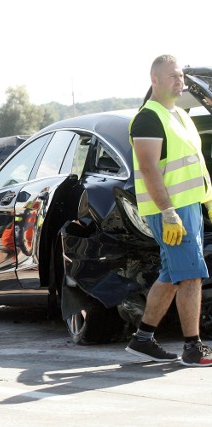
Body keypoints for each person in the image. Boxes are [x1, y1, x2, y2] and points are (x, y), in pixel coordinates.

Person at [126, 54, 212, 367]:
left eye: (181, 76)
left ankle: (143, 339)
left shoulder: (180, 115)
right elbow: (148, 169)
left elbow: (195, 166)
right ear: (155, 80)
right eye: (173, 76)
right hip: (171, 211)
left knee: (174, 274)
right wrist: (168, 212)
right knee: (191, 275)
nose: (180, 82)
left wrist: (207, 200)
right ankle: (193, 348)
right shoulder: (149, 117)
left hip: (189, 207)